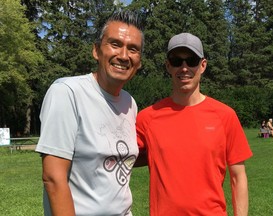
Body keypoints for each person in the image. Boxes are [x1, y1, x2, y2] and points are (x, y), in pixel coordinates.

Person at [35, 10, 144, 216]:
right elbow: (53, 178)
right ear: (96, 50)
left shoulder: (130, 103)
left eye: (133, 49)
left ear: (139, 60)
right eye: (115, 44)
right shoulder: (67, 92)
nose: (123, 55)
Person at [136, 33, 253, 216]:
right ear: (168, 66)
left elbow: (238, 178)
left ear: (203, 65)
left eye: (191, 60)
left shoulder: (225, 116)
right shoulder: (147, 118)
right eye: (176, 61)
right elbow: (116, 157)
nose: (184, 68)